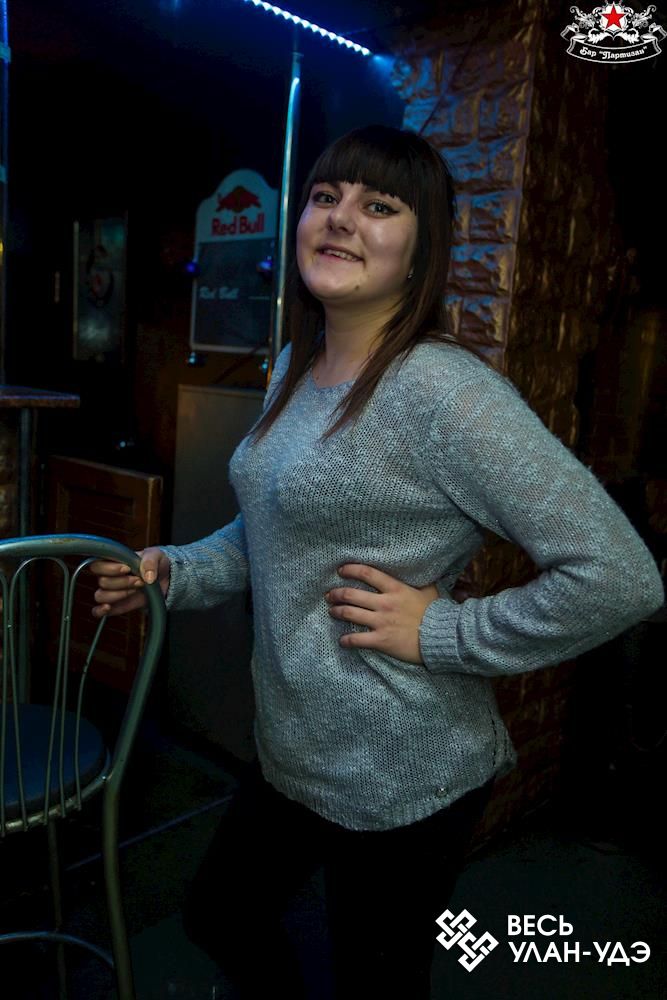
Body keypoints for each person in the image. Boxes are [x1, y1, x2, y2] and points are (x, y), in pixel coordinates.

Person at [91, 124, 665, 999]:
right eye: (326, 196)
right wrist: (175, 569)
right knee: (222, 917)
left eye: (379, 205)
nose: (340, 217)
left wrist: (442, 632)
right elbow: (270, 531)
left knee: (376, 985)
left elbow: (620, 576)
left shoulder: (442, 390)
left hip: (404, 767)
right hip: (294, 749)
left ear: (420, 250)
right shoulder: (295, 364)